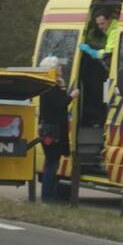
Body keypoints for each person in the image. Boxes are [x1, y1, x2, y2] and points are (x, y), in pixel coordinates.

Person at [37, 56, 76, 202]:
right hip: (52, 130)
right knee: (52, 163)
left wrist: (62, 86)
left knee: (52, 162)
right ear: (52, 69)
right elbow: (60, 104)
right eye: (58, 66)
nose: (61, 68)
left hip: (50, 129)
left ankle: (50, 194)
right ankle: (47, 196)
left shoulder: (50, 85)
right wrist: (72, 96)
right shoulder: (50, 87)